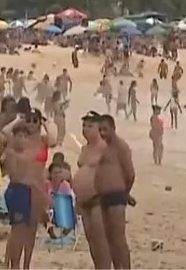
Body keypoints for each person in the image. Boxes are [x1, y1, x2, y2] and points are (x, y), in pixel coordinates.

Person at [2, 124, 46, 269]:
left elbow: (32, 177)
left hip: (26, 190)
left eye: (24, 136)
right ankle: (13, 264)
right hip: (17, 189)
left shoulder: (27, 154)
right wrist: (19, 120)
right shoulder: (11, 152)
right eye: (18, 136)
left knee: (23, 231)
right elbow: (15, 176)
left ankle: (18, 263)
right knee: (17, 230)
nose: (22, 139)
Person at [96, 115, 135, 270]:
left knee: (118, 239)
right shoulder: (105, 148)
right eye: (100, 130)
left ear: (113, 128)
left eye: (105, 129)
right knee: (109, 239)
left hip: (117, 196)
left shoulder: (120, 147)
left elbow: (130, 173)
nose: (103, 133)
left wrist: (125, 193)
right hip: (104, 197)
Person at [74, 112, 110, 269]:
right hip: (83, 201)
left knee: (101, 240)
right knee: (91, 240)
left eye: (90, 126)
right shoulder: (84, 148)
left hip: (99, 199)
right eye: (84, 126)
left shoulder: (105, 148)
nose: (85, 129)